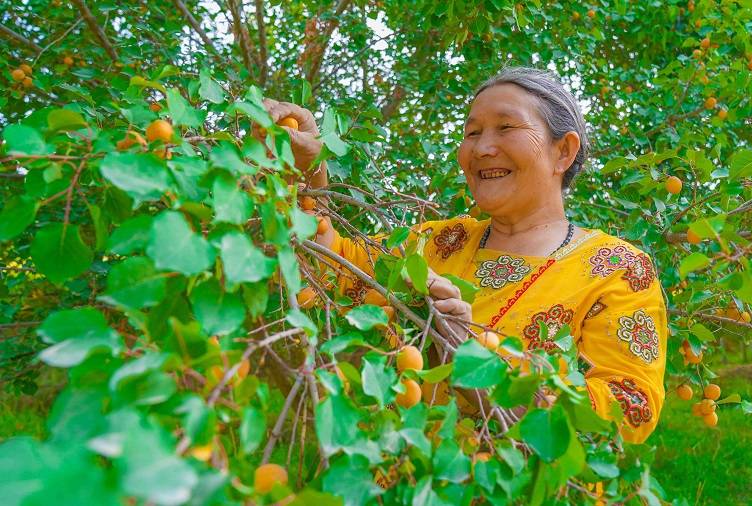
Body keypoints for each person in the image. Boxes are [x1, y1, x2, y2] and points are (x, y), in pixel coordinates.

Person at [261, 66, 668, 443]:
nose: (483, 148)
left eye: (506, 127)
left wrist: (471, 355)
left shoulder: (617, 269)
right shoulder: (437, 243)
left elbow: (625, 413)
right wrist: (306, 172)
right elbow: (328, 270)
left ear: (563, 152)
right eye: (472, 133)